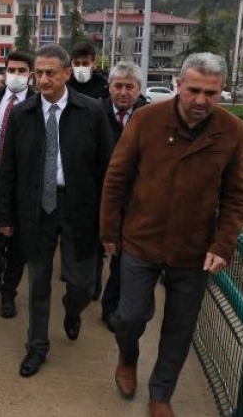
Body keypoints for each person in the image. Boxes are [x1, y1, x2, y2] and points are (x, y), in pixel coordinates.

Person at [101, 53, 243, 416]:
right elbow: (116, 178)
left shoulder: (233, 131)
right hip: (141, 239)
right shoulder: (146, 119)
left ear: (221, 91)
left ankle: (161, 393)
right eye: (194, 90)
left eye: (211, 93)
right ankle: (127, 358)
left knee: (180, 328)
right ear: (178, 85)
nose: (201, 100)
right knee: (129, 317)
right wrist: (109, 230)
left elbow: (236, 195)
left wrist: (223, 244)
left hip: (193, 249)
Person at [0, 44, 113, 377]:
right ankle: (36, 346)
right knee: (38, 282)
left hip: (79, 207)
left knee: (81, 285)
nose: (44, 80)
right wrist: (6, 216)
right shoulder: (22, 114)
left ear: (66, 73)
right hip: (36, 207)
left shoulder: (91, 111)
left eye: (51, 73)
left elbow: (107, 168)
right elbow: (8, 169)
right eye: (39, 73)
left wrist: (108, 218)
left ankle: (72, 310)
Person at [0, 51, 35, 319]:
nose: (16, 75)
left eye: (22, 71)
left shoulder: (37, 105)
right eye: (11, 70)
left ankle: (8, 293)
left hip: (23, 184)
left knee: (19, 244)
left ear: (30, 75)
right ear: (4, 72)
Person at [98, 61, 148, 331]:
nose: (123, 92)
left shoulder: (149, 117)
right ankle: (91, 285)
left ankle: (111, 309)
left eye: (130, 87)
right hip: (97, 195)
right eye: (118, 86)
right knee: (94, 252)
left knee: (121, 258)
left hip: (132, 199)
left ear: (139, 89)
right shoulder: (96, 112)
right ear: (109, 87)